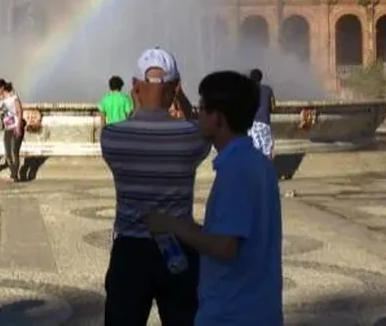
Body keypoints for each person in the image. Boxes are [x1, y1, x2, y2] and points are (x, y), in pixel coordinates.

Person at [147, 70, 283, 326]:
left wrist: (172, 225)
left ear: (218, 118)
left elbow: (225, 247)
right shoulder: (258, 162)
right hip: (259, 310)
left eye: (202, 109)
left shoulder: (236, 170)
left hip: (232, 314)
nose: (197, 116)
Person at [100, 47, 211, 326]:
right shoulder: (192, 137)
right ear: (176, 88)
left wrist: (140, 99)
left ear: (134, 86)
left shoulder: (113, 137)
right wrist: (180, 97)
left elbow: (131, 119)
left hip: (131, 250)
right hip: (180, 250)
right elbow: (196, 122)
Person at [0, 79, 24, 182]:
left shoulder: (13, 96)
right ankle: (13, 173)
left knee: (14, 151)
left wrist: (19, 126)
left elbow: (20, 111)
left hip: (16, 126)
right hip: (8, 128)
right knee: (8, 153)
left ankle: (15, 176)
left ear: (2, 87)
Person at [247, 69, 275, 159]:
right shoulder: (268, 89)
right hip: (264, 123)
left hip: (251, 124)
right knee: (266, 151)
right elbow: (273, 106)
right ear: (261, 78)